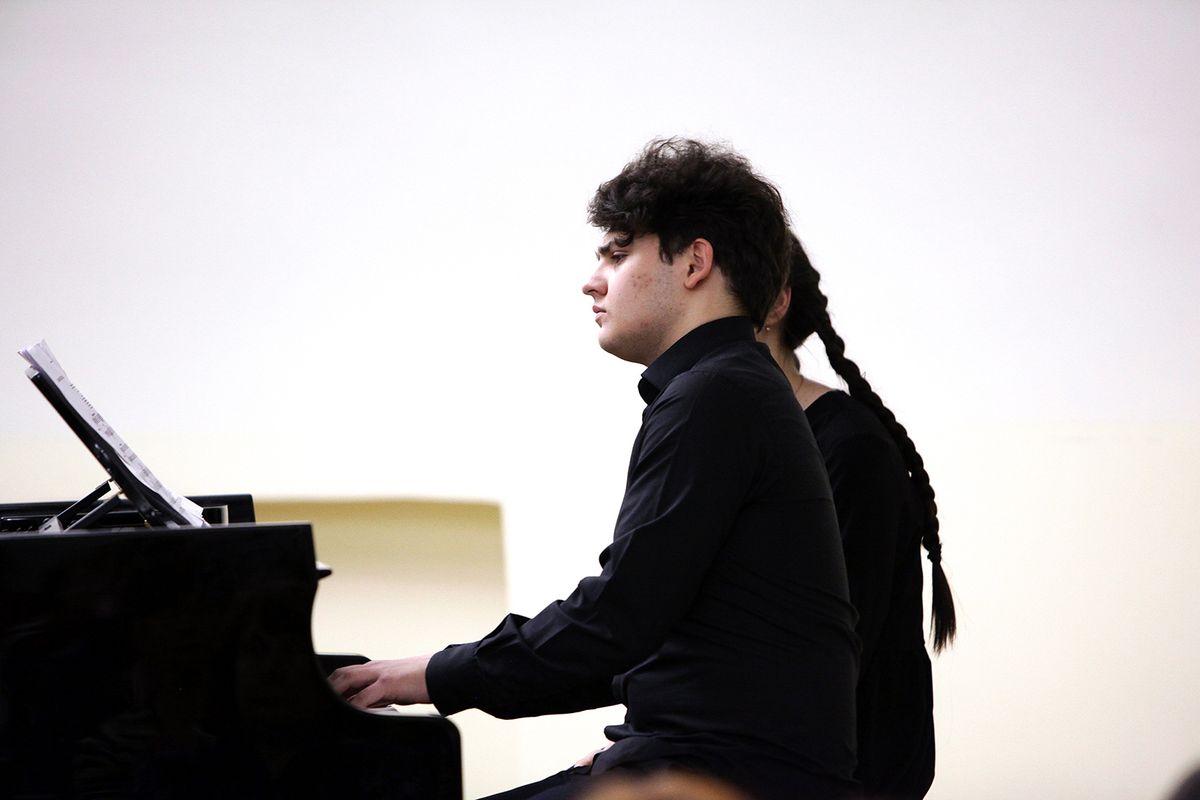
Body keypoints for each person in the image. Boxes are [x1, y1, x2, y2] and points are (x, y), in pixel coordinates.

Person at [330, 138, 861, 800]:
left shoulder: (715, 395)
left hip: (728, 775)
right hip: (705, 757)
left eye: (615, 254)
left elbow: (615, 618)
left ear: (694, 262)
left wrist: (430, 676)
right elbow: (639, 630)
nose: (592, 280)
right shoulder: (730, 387)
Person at [756, 233, 958, 799]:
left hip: (842, 771)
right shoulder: (722, 437)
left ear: (774, 305)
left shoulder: (849, 447)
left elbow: (834, 651)